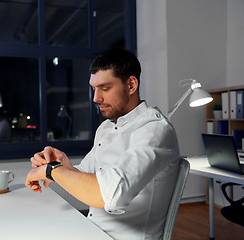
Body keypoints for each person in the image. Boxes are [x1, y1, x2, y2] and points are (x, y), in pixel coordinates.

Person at [25, 48, 180, 240]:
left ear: (131, 85)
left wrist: (52, 171)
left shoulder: (155, 130)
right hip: (92, 229)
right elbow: (86, 178)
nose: (95, 98)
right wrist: (61, 164)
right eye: (94, 88)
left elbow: (109, 195)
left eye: (105, 88)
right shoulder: (106, 128)